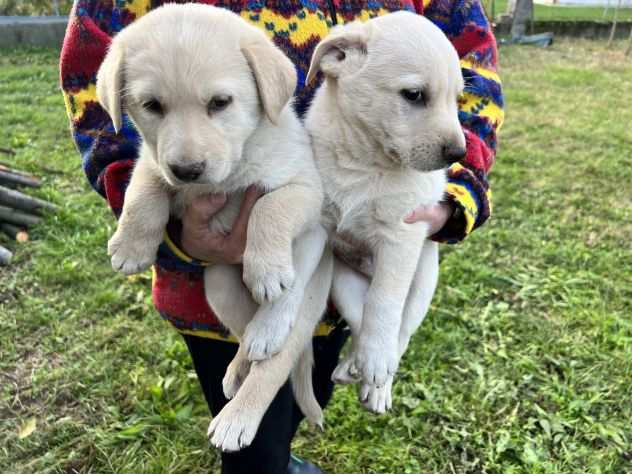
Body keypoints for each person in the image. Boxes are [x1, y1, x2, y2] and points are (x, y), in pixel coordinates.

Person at [60, 0, 504, 472]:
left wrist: (457, 194)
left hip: (331, 287)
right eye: (153, 105)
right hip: (208, 294)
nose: (187, 153)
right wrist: (169, 229)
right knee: (253, 448)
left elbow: (475, 81)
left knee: (303, 397)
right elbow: (95, 108)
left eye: (218, 103)